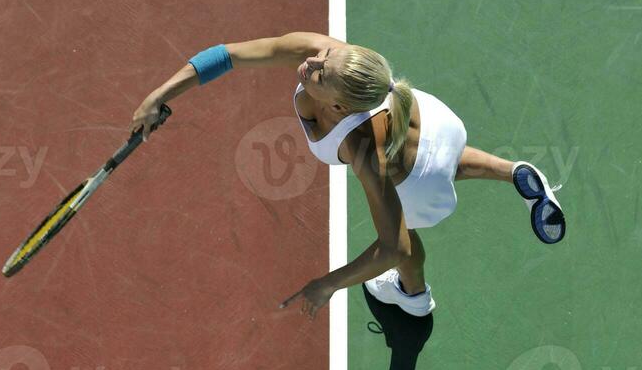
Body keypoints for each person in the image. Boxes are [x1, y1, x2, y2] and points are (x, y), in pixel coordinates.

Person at [130, 33, 565, 317]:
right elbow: (228, 56)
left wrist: (328, 284)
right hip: (431, 124)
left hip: (418, 178)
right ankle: (517, 174)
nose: (312, 63)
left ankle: (414, 298)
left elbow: (393, 247)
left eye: (320, 72)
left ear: (338, 107)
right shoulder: (330, 60)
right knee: (443, 154)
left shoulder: (363, 153)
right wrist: (160, 94)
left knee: (409, 235)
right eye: (325, 56)